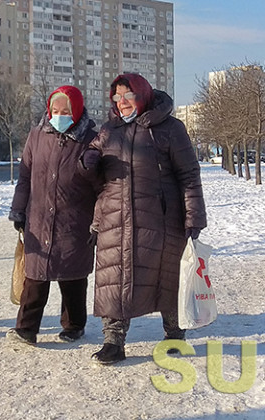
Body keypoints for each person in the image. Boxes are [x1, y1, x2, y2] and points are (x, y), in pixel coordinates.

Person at [81, 73, 207, 365]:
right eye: (117, 97)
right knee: (113, 277)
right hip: (114, 215)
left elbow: (189, 174)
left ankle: (174, 333)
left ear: (143, 95)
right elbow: (91, 160)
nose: (123, 102)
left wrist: (193, 217)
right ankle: (113, 341)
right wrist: (86, 161)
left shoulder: (170, 128)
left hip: (162, 218)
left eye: (129, 95)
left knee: (167, 277)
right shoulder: (109, 130)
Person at [7, 86, 99, 346]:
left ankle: (74, 325)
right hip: (39, 217)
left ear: (77, 112)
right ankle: (26, 328)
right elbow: (25, 176)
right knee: (35, 275)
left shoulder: (92, 139)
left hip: (75, 220)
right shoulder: (37, 135)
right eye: (55, 111)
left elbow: (101, 183)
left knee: (73, 275)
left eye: (66, 112)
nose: (59, 116)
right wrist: (18, 209)